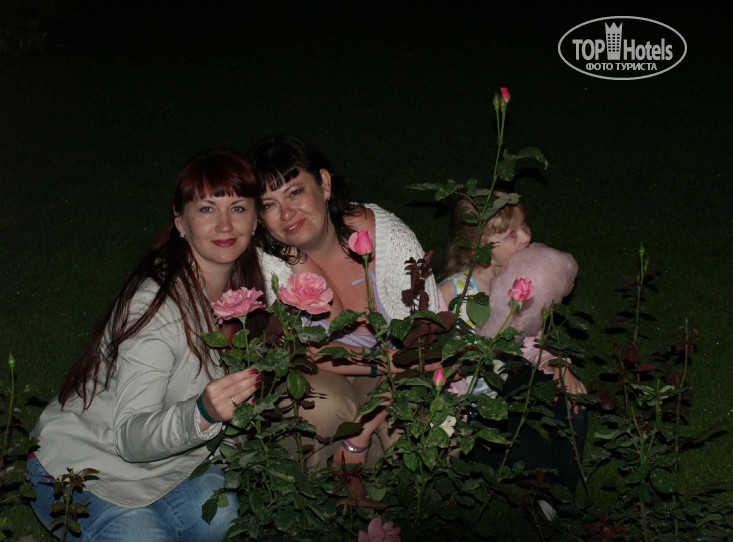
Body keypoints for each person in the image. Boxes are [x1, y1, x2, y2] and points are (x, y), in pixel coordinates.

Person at [27, 149, 265, 541]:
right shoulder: (156, 308)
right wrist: (202, 412)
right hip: (83, 465)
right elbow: (128, 436)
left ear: (255, 219)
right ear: (181, 222)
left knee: (220, 518)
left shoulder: (248, 288)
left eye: (238, 208)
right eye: (207, 209)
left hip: (168, 464)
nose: (225, 224)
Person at [246, 135, 441, 469]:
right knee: (320, 405)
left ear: (324, 184)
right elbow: (300, 354)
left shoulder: (385, 236)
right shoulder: (270, 262)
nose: (287, 214)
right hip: (332, 372)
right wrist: (297, 259)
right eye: (269, 204)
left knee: (410, 423)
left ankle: (375, 482)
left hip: (393, 371)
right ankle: (311, 489)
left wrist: (361, 433)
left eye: (294, 192)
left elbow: (429, 346)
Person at [439, 195, 587, 493]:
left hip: (510, 383)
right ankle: (550, 493)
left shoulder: (522, 281)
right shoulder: (452, 294)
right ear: (478, 246)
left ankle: (566, 496)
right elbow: (431, 357)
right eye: (511, 235)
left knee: (572, 401)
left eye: (524, 226)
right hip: (471, 408)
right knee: (532, 460)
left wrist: (558, 366)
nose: (526, 237)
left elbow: (532, 343)